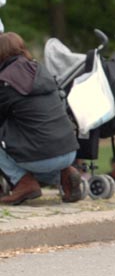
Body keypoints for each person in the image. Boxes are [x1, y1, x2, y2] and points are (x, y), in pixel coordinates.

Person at [0, 32, 82, 205]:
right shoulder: (41, 71)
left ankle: (24, 183)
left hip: (42, 156)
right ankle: (66, 173)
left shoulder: (6, 82)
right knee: (38, 141)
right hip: (69, 151)